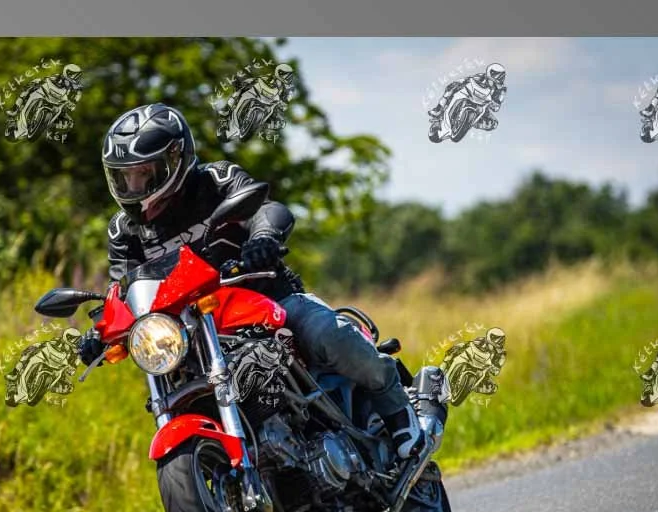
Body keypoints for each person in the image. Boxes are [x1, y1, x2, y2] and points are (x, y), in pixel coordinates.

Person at [79, 102, 440, 461]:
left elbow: (266, 209)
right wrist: (101, 331)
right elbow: (124, 288)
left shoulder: (217, 181)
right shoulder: (124, 230)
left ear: (175, 160)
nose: (134, 186)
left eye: (145, 173)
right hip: (190, 335)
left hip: (268, 300)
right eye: (125, 177)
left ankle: (398, 411)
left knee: (326, 333)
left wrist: (264, 238)